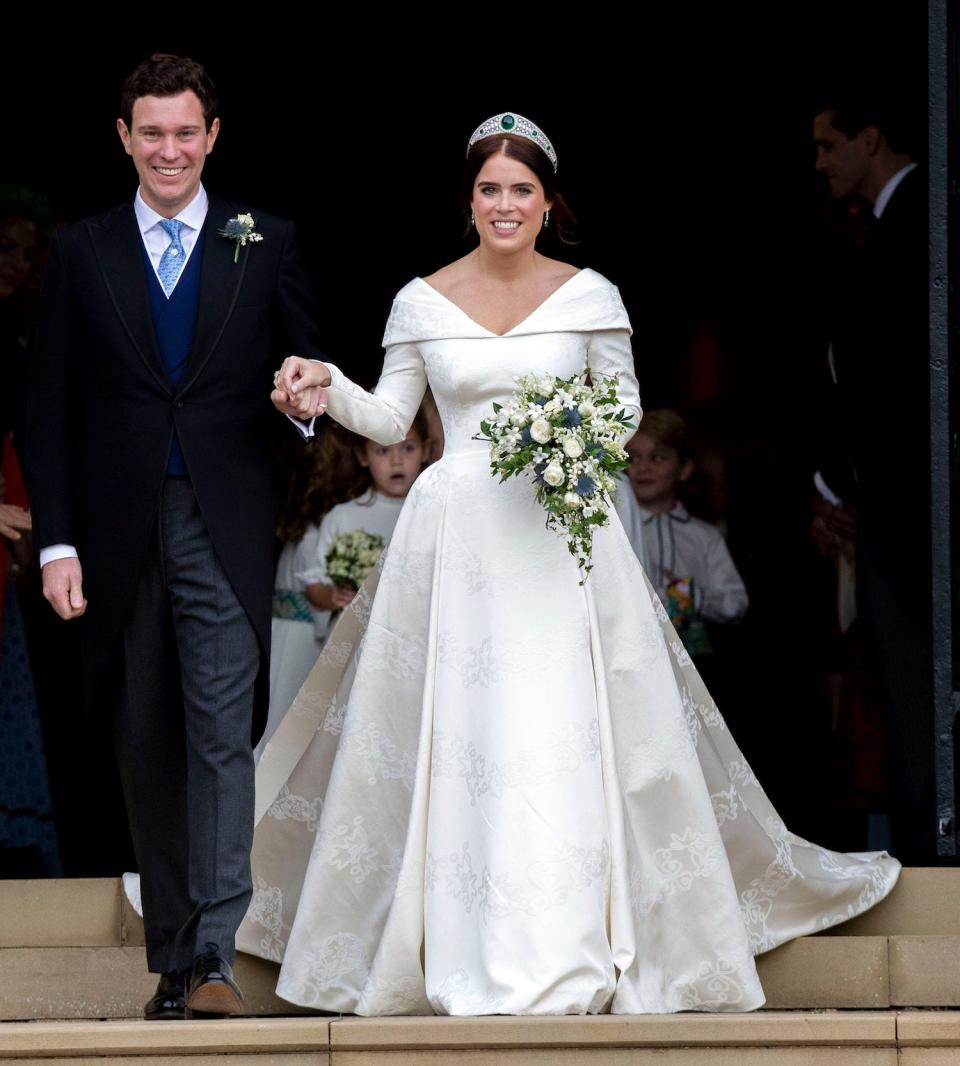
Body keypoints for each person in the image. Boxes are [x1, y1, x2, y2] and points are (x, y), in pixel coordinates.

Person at [239, 113, 899, 1016]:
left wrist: (570, 438)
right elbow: (394, 420)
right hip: (456, 542)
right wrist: (324, 386)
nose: (503, 205)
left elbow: (621, 413)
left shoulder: (592, 296)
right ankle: (452, 944)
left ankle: (566, 943)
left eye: (521, 190)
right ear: (467, 201)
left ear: (548, 203)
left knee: (555, 734)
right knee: (461, 739)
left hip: (558, 537)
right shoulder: (420, 299)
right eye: (488, 190)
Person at [25, 54, 327, 1020]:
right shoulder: (81, 251)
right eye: (150, 133)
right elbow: (49, 408)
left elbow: (305, 377)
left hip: (223, 526)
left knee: (218, 736)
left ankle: (213, 957)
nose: (168, 149)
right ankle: (172, 958)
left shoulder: (266, 241)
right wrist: (57, 543)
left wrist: (303, 403)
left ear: (213, 135)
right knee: (143, 741)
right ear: (124, 137)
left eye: (184, 132)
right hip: (111, 533)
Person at [813, 89, 933, 862]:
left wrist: (837, 483)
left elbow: (888, 376)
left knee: (917, 670)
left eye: (829, 145)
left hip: (911, 501)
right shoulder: (878, 227)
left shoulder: (922, 219)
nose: (819, 163)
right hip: (884, 496)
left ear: (871, 138)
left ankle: (931, 843)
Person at [258, 417, 430, 759]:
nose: (396, 461)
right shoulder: (343, 517)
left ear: (426, 451)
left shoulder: (429, 514)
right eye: (383, 450)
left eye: (407, 449)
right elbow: (315, 584)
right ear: (364, 456)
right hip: (353, 647)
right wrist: (331, 596)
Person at [615, 409, 748, 657]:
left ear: (684, 468)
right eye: (632, 459)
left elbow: (735, 603)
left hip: (696, 661)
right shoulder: (616, 532)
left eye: (657, 458)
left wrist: (688, 595)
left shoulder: (704, 536)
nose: (643, 467)